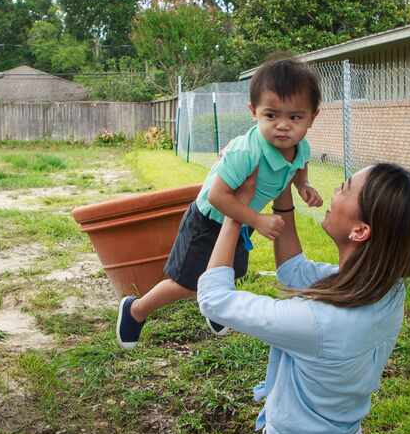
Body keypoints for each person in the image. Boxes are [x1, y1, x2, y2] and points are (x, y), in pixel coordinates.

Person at [198, 162, 410, 434]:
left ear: (360, 230)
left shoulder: (319, 321)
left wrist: (236, 214)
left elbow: (214, 299)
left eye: (345, 188)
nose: (336, 191)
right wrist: (282, 186)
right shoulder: (387, 290)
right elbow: (294, 271)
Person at [116, 56, 324, 348]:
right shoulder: (245, 152)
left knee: (230, 272)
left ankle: (216, 306)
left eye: (294, 117)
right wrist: (257, 220)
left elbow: (299, 164)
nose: (282, 126)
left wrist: (303, 185)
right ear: (253, 112)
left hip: (241, 220)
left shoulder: (300, 147)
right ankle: (136, 310)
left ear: (312, 117)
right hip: (209, 219)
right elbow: (217, 195)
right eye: (271, 115)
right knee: (185, 283)